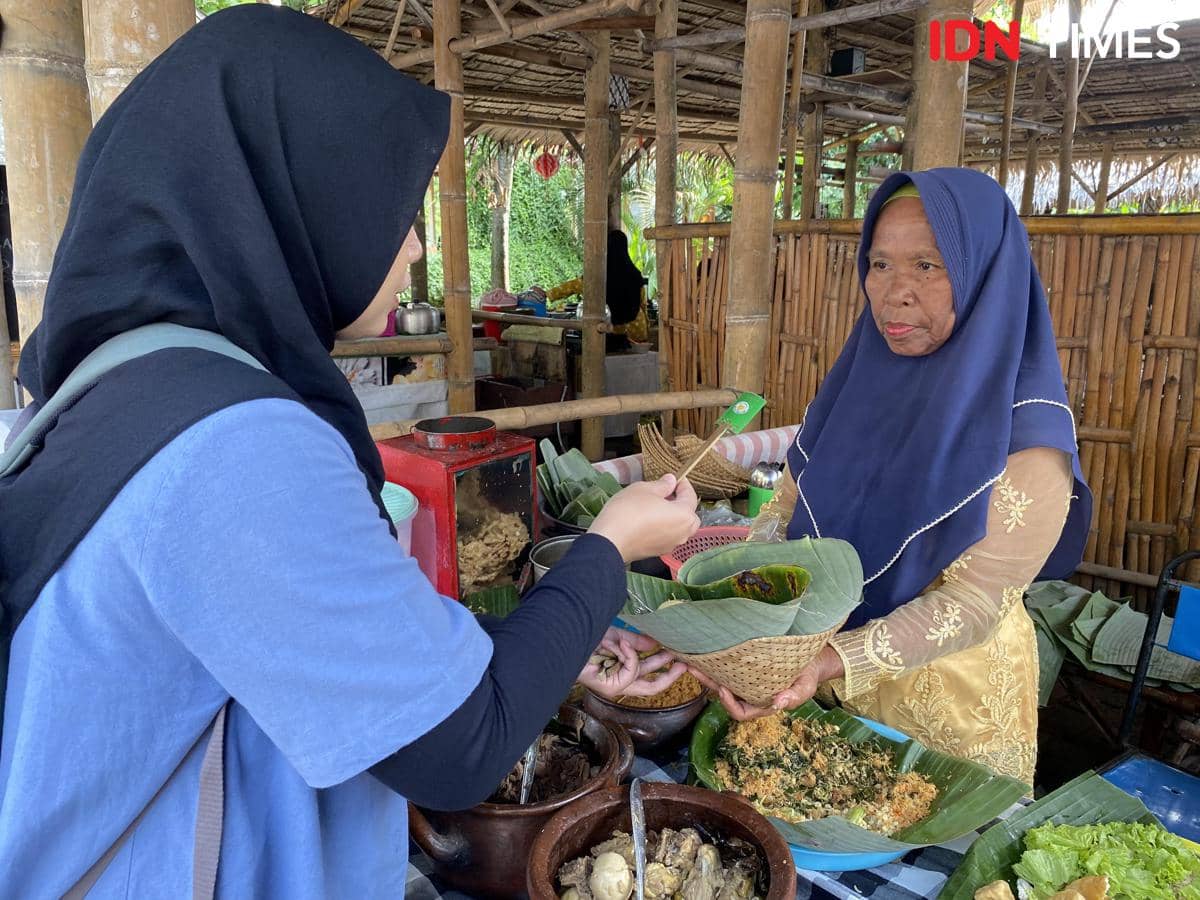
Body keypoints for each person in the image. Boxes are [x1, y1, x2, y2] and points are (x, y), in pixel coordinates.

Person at [0, 8, 699, 897]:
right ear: (303, 196)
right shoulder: (234, 446)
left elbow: (299, 638)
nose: (415, 246)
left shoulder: (124, 380)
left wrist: (545, 646)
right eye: (394, 208)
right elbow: (461, 750)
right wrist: (608, 547)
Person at [695, 170, 1092, 786]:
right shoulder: (857, 388)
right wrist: (736, 609)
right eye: (879, 265)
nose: (894, 292)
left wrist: (829, 660)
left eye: (927, 266)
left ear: (984, 274)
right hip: (812, 691)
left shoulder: (1028, 434)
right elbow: (784, 511)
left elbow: (973, 602)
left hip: (943, 720)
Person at [545, 229, 650, 344]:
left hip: (608, 330)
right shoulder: (635, 274)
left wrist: (549, 294)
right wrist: (647, 326)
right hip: (636, 329)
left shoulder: (598, 273)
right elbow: (643, 304)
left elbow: (573, 286)